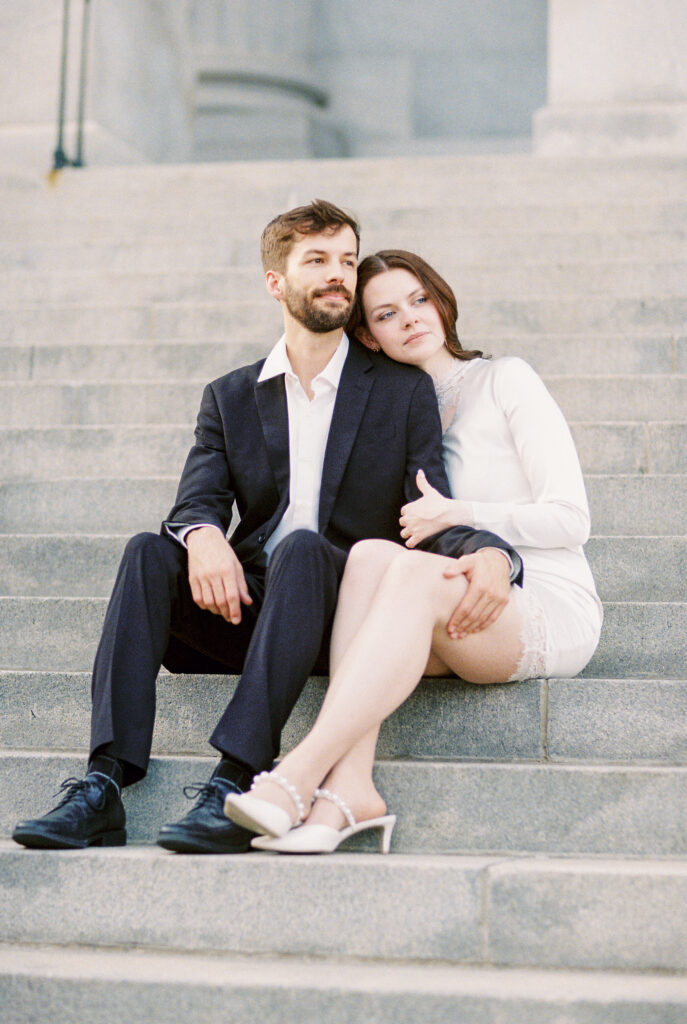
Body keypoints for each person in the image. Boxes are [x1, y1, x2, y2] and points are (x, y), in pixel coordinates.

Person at [13, 211, 520, 854]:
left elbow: (430, 507)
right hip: (250, 611)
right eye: (318, 260)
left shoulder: (399, 392)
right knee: (148, 551)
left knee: (307, 547)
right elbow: (196, 499)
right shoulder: (229, 395)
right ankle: (103, 783)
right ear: (276, 283)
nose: (338, 274)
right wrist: (202, 536)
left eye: (346, 259)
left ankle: (238, 778)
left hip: (342, 619)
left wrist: (491, 555)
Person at [225, 249, 603, 854]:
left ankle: (297, 775)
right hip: (451, 596)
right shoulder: (398, 412)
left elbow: (571, 519)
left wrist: (467, 517)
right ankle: (349, 795)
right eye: (385, 314)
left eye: (419, 299)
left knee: (403, 573)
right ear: (368, 337)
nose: (410, 319)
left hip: (543, 600)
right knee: (373, 557)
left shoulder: (506, 378)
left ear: (441, 299)